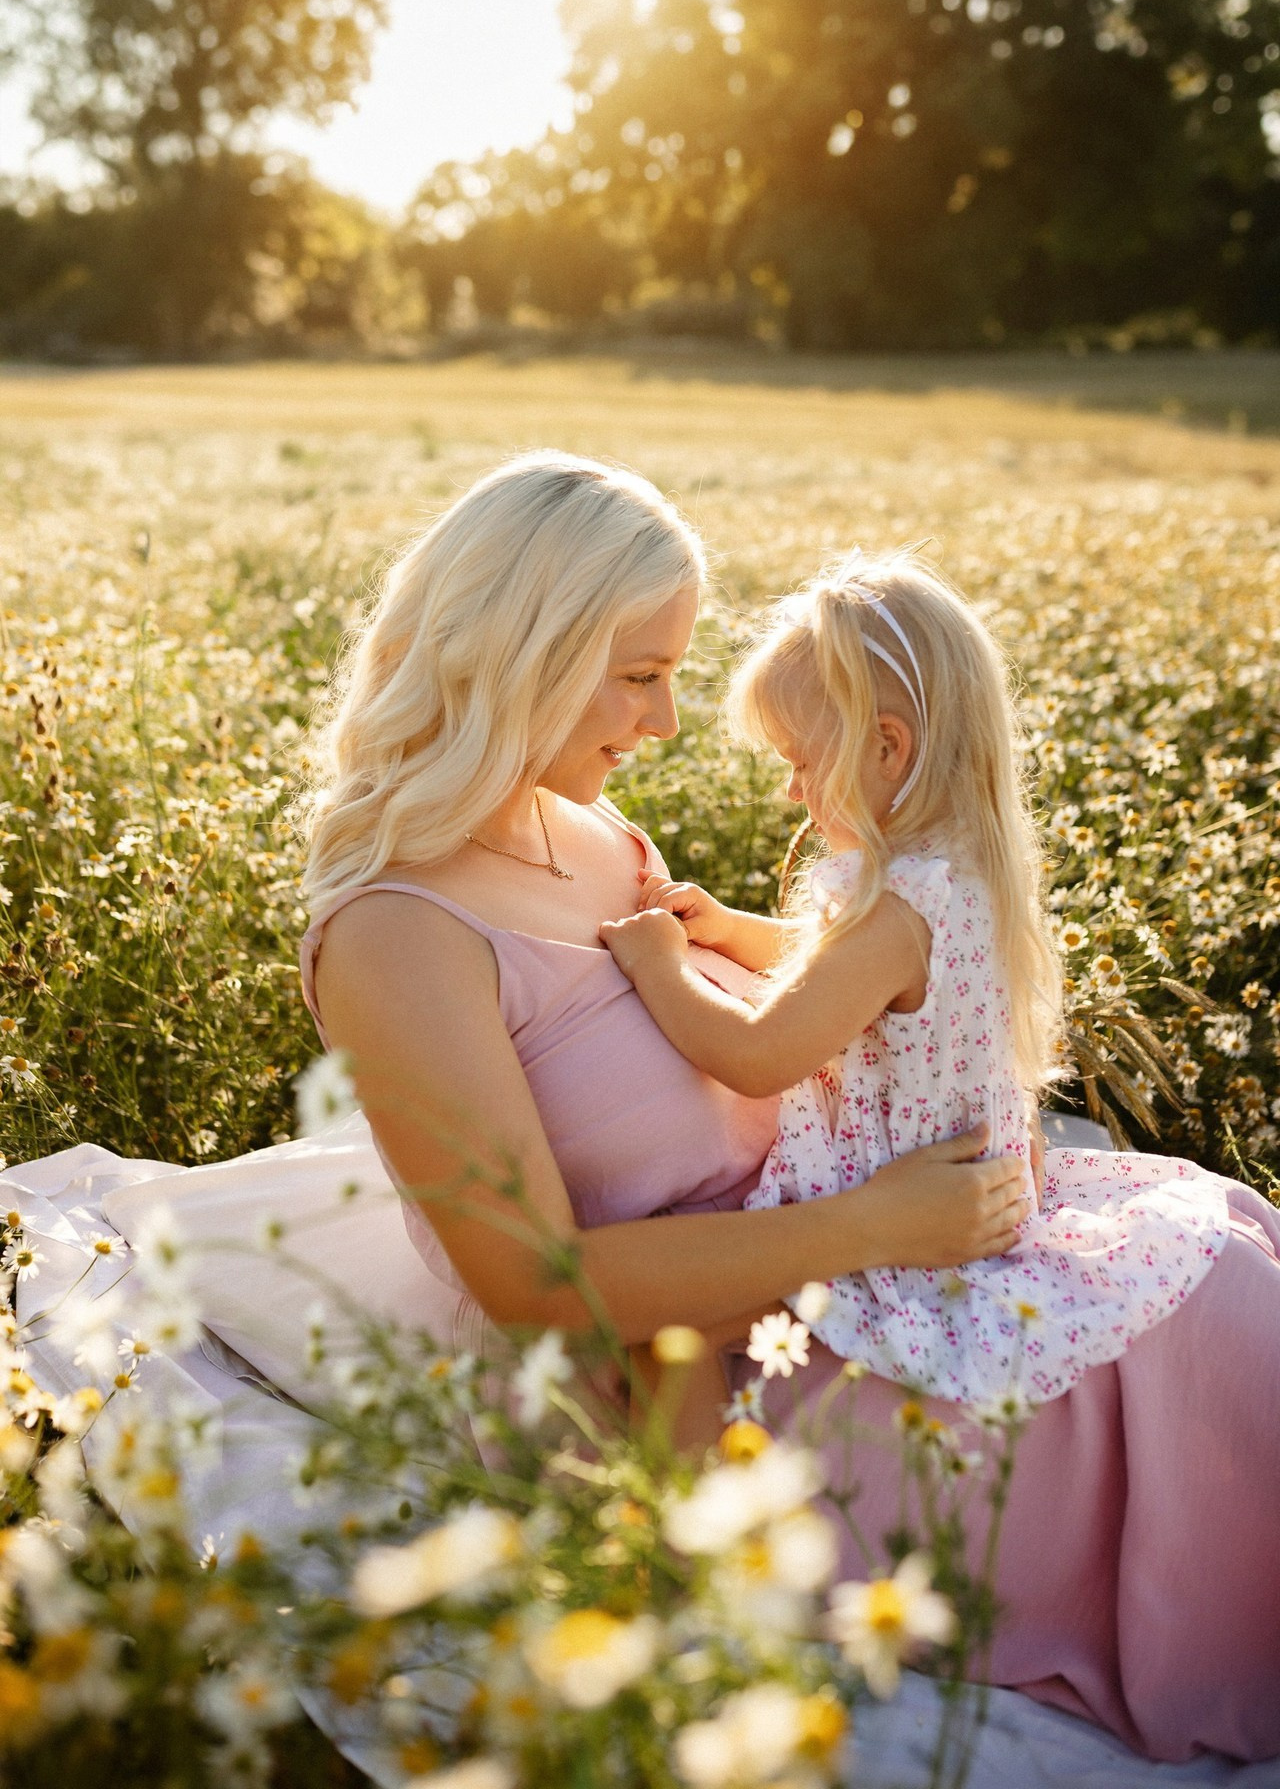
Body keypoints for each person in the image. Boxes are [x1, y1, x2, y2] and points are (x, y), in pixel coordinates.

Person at [299, 451, 1280, 1765]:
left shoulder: (592, 837)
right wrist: (880, 1226)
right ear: (514, 651)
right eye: (638, 672)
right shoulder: (396, 935)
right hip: (722, 1371)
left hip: (852, 1260)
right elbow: (537, 1286)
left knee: (1219, 1247)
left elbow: (790, 1007)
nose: (660, 720)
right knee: (1197, 1348)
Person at [598, 552, 1229, 1415]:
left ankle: (679, 1516)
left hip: (902, 1216)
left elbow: (757, 1056)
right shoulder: (961, 875)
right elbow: (843, 971)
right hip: (962, 1187)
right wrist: (732, 928)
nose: (790, 791)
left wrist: (658, 967)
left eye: (802, 763)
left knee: (666, 1321)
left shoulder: (896, 913)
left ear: (888, 747)